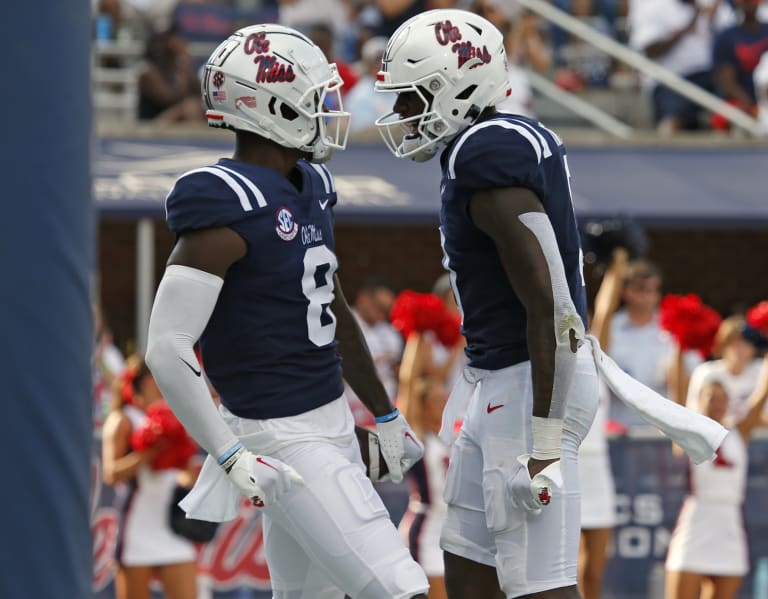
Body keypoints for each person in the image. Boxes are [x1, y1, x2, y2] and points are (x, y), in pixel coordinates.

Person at [144, 24, 429, 599]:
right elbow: (166, 347)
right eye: (314, 97)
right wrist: (228, 453)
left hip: (331, 425)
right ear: (271, 104)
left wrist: (384, 413)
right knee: (401, 589)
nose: (328, 108)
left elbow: (332, 306)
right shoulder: (229, 203)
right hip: (282, 439)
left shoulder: (310, 184)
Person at [375, 9, 600, 598]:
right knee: (470, 570)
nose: (401, 115)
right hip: (504, 377)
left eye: (412, 98)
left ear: (457, 87)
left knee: (538, 584)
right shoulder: (478, 151)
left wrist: (546, 443)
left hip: (531, 384)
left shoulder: (487, 155)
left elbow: (551, 304)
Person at [665, 355, 768, 599]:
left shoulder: (738, 432)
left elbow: (762, 392)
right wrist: (679, 346)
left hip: (730, 522)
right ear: (700, 401)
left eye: (724, 398)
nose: (719, 404)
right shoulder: (690, 433)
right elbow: (676, 395)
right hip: (698, 519)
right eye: (712, 397)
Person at [101, 355, 198, 599]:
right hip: (137, 525)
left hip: (171, 524)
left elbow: (185, 473)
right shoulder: (123, 419)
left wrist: (187, 480)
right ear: (140, 382)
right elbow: (111, 473)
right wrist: (149, 452)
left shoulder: (177, 414)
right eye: (155, 378)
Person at [685, 315, 765, 425]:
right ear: (722, 345)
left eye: (747, 343)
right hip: (712, 438)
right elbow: (694, 414)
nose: (741, 349)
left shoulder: (763, 370)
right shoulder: (705, 372)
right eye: (735, 343)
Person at [712, 0, 768, 121]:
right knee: (721, 118)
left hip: (765, 99)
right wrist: (753, 107)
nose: (749, 4)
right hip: (743, 104)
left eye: (752, 1)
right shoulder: (726, 37)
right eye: (745, 1)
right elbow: (727, 82)